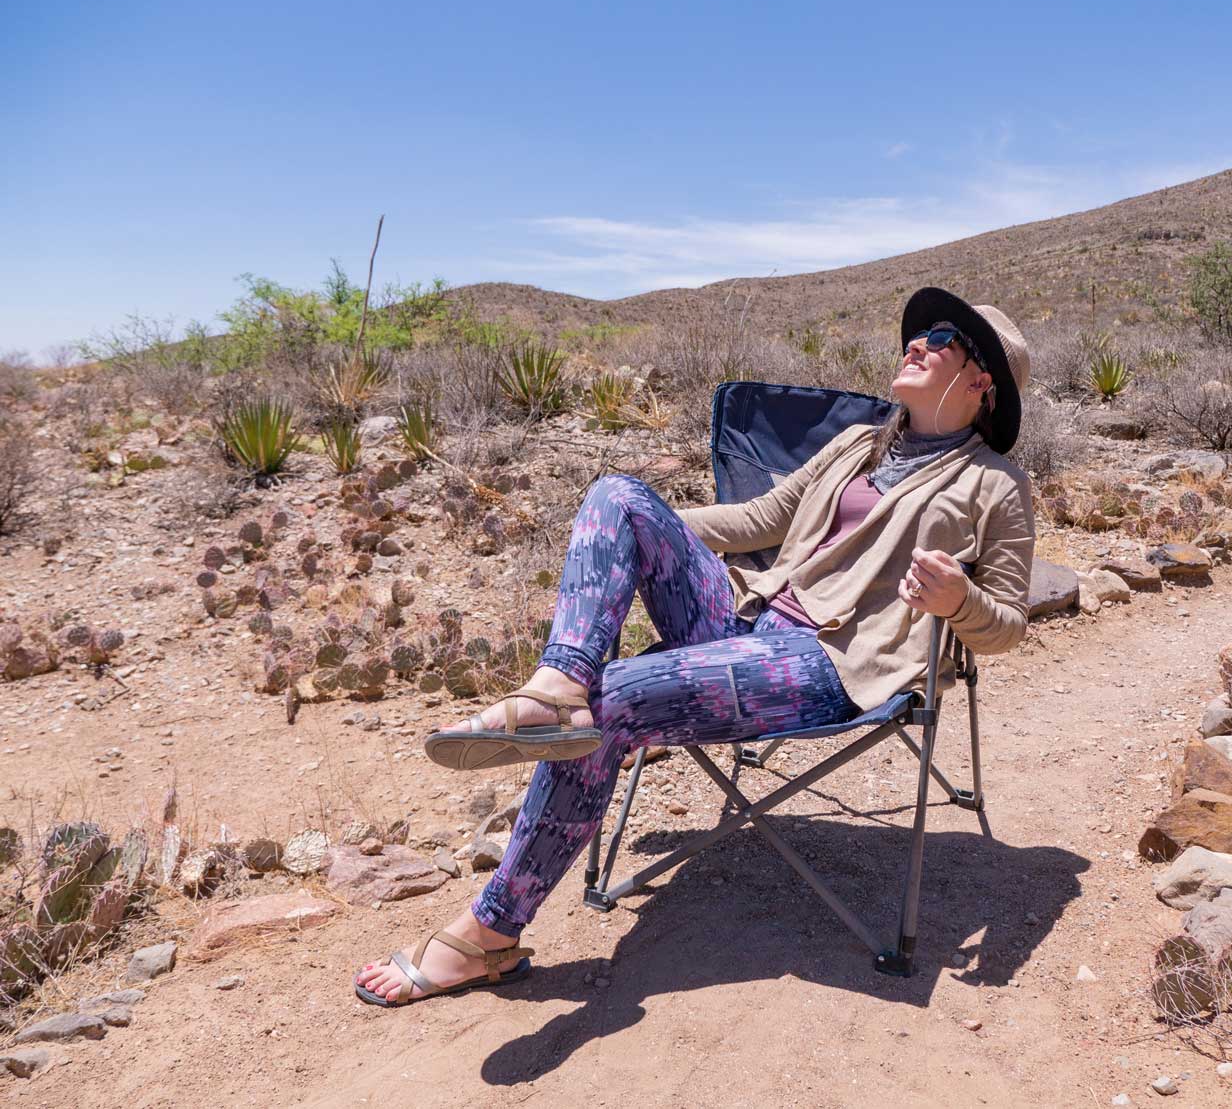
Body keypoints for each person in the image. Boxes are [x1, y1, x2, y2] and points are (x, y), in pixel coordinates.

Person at [354, 287, 1036, 1006]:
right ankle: (553, 686)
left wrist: (958, 601)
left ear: (981, 380)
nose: (917, 341)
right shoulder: (861, 441)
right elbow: (759, 517)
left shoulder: (996, 485)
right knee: (617, 495)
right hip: (749, 618)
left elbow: (1010, 625)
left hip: (830, 664)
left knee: (610, 702)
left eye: (941, 337)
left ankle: (489, 933)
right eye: (918, 331)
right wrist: (634, 532)